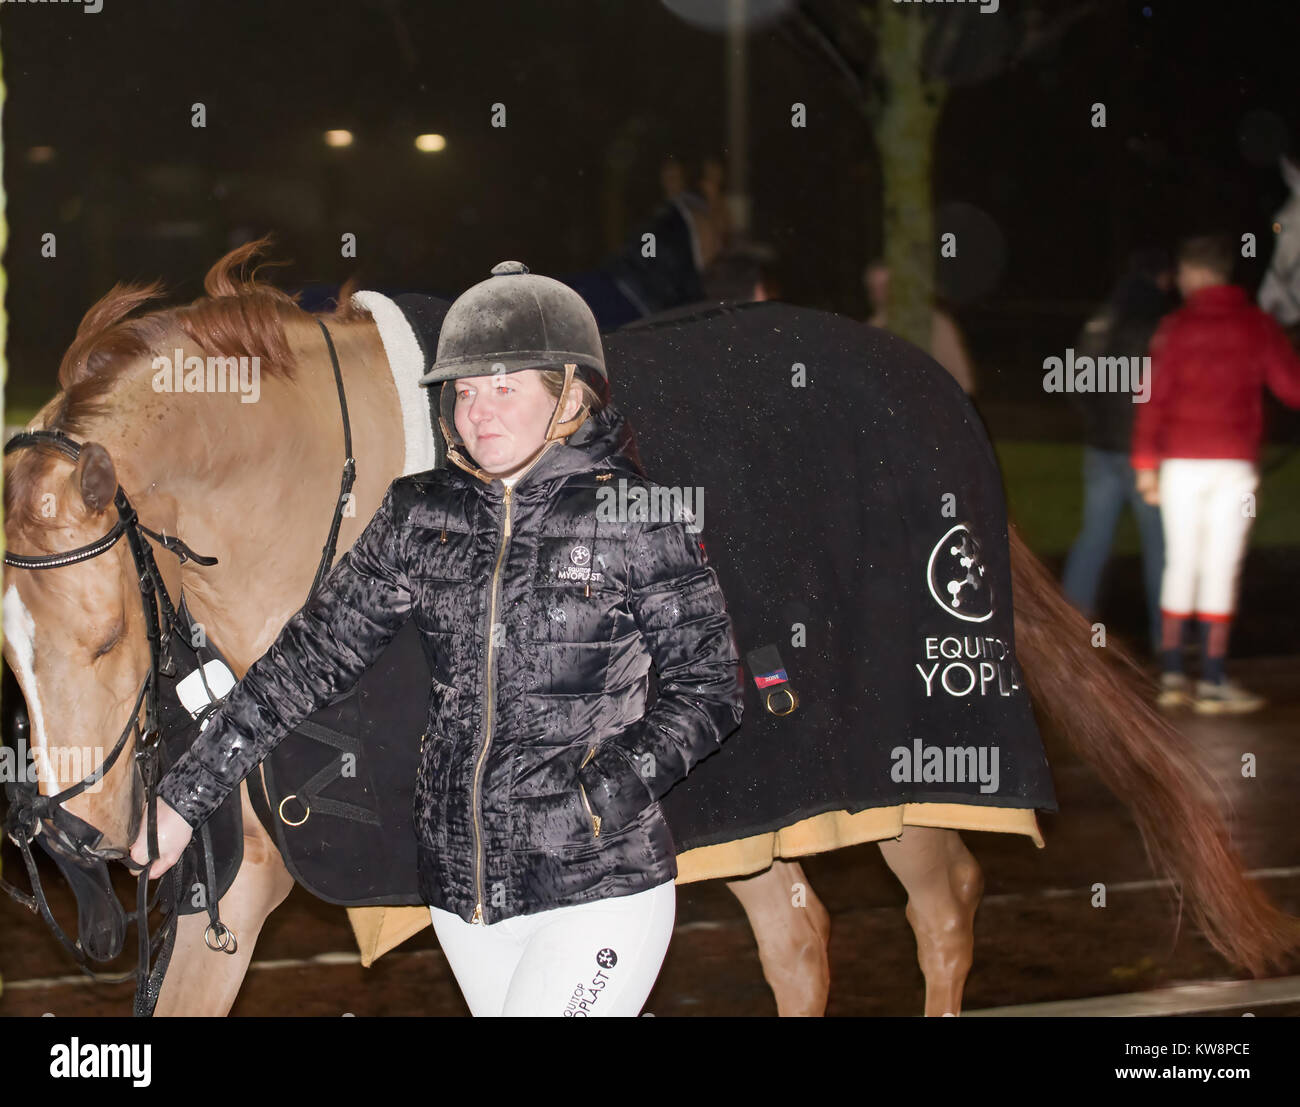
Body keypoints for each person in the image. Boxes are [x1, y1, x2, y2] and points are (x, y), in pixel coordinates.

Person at [132, 261, 744, 1016]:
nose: (478, 412)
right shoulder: (418, 516)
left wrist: (601, 795)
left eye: (505, 388)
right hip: (462, 896)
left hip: (599, 885)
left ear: (569, 395)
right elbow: (307, 658)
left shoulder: (639, 518)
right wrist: (186, 797)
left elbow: (711, 687)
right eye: (464, 390)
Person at [1133, 234, 1300, 712]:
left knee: (1180, 562)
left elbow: (1151, 398)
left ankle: (1170, 677)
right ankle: (1211, 680)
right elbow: (1291, 388)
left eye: (1184, 273)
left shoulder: (1175, 327)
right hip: (1233, 466)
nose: (1180, 281)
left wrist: (1145, 463)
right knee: (1220, 568)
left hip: (1181, 465)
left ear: (1198, 273)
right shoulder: (1257, 326)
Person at [1061, 249, 1173, 656]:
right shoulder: (1160, 326)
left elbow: (1076, 383)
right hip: (1146, 454)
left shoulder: (1101, 321)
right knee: (1160, 545)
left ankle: (1070, 629)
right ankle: (1168, 640)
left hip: (1102, 447)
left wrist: (1095, 420)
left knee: (1093, 538)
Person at [863, 259, 977, 395]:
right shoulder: (869, 329)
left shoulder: (934, 323)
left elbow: (963, 382)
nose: (881, 294)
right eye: (875, 288)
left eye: (886, 286)